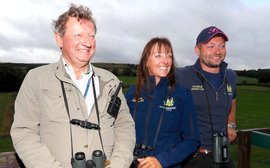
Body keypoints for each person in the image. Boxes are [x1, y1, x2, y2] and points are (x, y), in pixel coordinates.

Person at [10, 4, 135, 168]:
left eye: (91, 36)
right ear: (59, 39)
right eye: (78, 35)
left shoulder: (110, 81)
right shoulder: (36, 79)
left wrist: (118, 164)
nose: (87, 42)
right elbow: (24, 132)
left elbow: (125, 126)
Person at [125, 37, 200, 168]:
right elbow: (121, 131)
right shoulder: (132, 93)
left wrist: (162, 160)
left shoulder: (182, 95)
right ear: (146, 61)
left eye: (169, 56)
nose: (165, 61)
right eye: (158, 55)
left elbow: (192, 140)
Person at [176, 26, 237, 168]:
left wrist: (231, 124)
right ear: (197, 50)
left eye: (222, 46)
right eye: (211, 46)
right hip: (193, 158)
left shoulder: (231, 76)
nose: (217, 51)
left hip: (223, 156)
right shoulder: (182, 76)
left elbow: (233, 99)